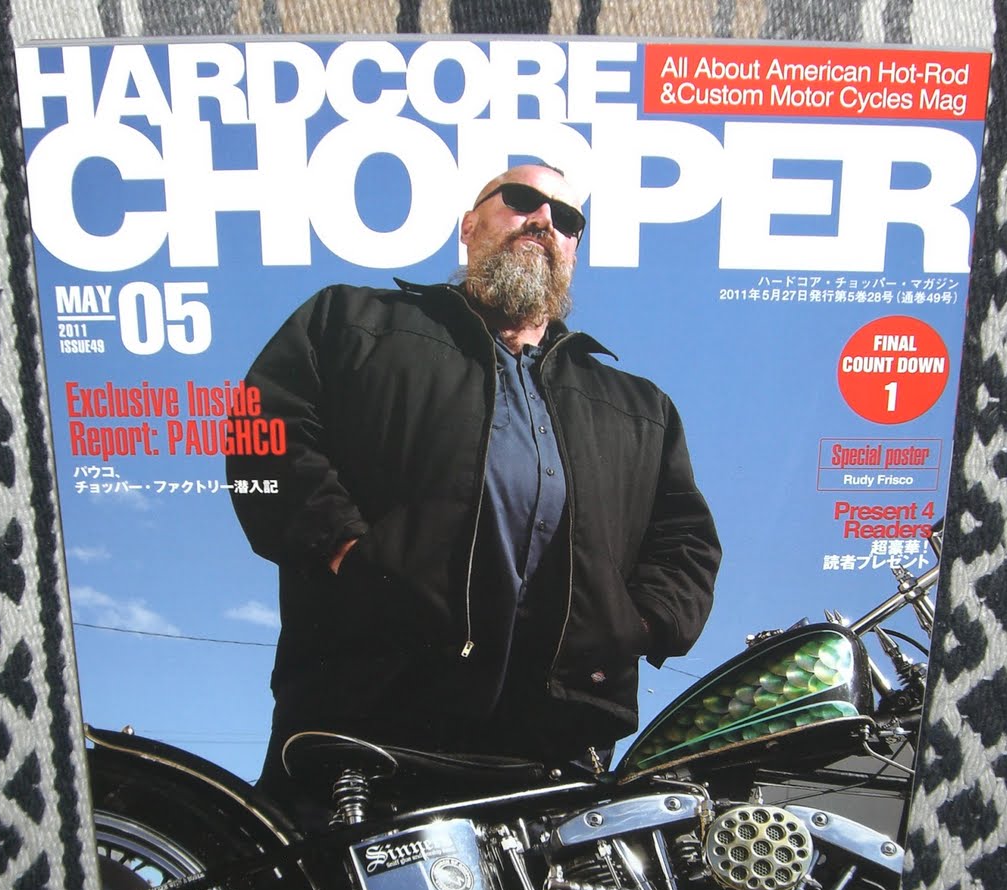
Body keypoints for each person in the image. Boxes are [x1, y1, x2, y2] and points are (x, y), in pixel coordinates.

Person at [226, 162, 721, 798]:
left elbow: (686, 540)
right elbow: (263, 431)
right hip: (367, 706)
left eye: (568, 219)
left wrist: (638, 624)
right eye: (521, 199)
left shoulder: (640, 407)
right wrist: (349, 551)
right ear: (468, 225)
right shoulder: (351, 322)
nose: (543, 221)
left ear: (573, 250)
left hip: (558, 739)